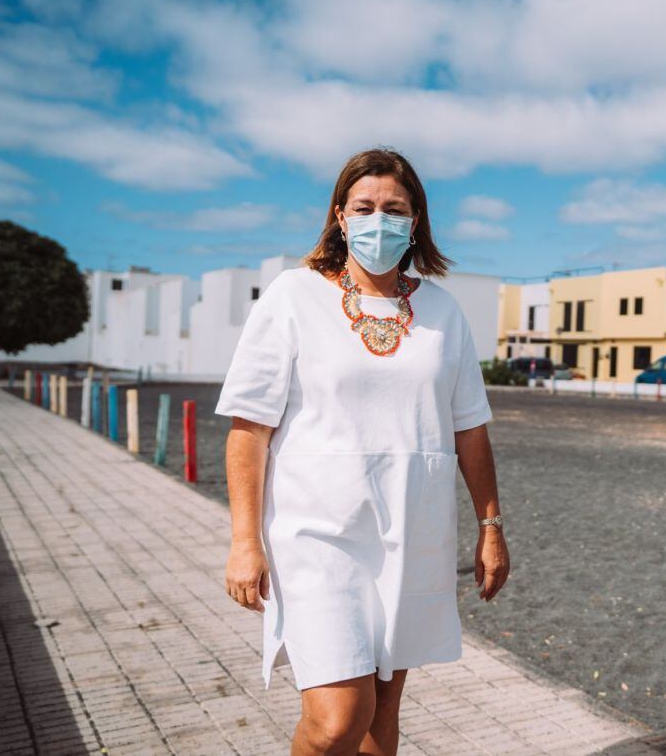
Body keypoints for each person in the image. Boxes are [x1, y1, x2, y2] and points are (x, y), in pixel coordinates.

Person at [214, 147, 510, 756]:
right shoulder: (293, 297)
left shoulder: (442, 312)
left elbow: (470, 429)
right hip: (316, 535)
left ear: (416, 220)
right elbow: (250, 429)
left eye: (395, 209)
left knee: (381, 717)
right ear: (341, 217)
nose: (381, 220)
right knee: (336, 722)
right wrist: (245, 541)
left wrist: (491, 527)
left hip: (412, 532)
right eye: (365, 207)